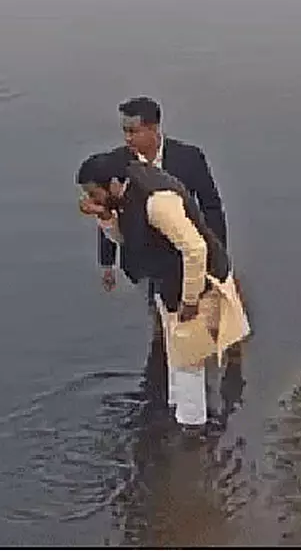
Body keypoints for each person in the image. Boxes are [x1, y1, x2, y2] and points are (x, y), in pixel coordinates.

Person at [77, 152, 232, 428]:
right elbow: (127, 239)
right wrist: (104, 216)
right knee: (175, 356)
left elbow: (196, 250)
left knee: (189, 364)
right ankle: (176, 414)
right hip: (166, 280)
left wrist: (190, 300)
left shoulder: (158, 202)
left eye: (94, 193)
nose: (91, 199)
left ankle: (192, 433)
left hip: (197, 284)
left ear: (113, 184)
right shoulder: (124, 195)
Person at [91, 97, 226, 294]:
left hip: (182, 256)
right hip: (142, 264)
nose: (127, 138)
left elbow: (211, 207)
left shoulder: (189, 158)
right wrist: (107, 264)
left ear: (153, 129)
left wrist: (219, 258)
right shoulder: (117, 163)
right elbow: (108, 210)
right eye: (124, 131)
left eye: (133, 132)